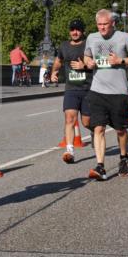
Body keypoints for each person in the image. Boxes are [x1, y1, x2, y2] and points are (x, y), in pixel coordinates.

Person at [83, 9, 128, 181]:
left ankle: (124, 157)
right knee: (98, 128)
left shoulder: (123, 37)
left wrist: (120, 61)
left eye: (105, 25)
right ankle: (100, 166)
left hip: (118, 92)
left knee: (120, 130)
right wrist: (89, 62)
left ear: (113, 23)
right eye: (99, 25)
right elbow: (86, 56)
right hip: (97, 90)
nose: (102, 28)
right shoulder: (92, 38)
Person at [51, 19, 92, 164]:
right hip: (71, 89)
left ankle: (95, 133)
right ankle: (70, 150)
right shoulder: (64, 46)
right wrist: (53, 73)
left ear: (82, 31)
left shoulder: (89, 44)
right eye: (72, 29)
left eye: (78, 29)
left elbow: (98, 63)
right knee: (69, 118)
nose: (75, 32)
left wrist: (85, 66)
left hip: (88, 88)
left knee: (87, 122)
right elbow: (58, 61)